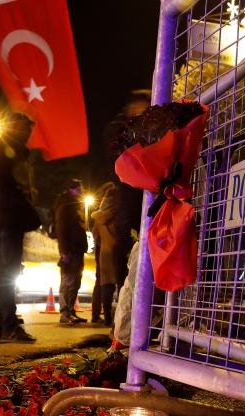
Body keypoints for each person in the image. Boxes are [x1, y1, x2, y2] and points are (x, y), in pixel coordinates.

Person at [0, 113, 42, 342]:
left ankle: (2, 324)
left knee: (3, 272)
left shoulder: (1, 148)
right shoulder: (6, 149)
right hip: (8, 219)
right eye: (25, 128)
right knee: (9, 273)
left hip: (1, 219)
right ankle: (9, 325)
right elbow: (5, 183)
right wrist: (24, 198)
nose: (29, 132)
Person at [105, 90, 151, 287]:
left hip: (143, 196)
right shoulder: (118, 129)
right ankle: (127, 292)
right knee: (125, 245)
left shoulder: (140, 128)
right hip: (131, 198)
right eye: (143, 106)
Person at [53, 179, 89, 324]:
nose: (82, 190)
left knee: (75, 282)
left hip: (77, 249)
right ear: (71, 189)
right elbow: (61, 229)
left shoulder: (73, 205)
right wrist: (64, 251)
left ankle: (71, 310)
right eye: (80, 187)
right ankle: (65, 312)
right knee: (68, 281)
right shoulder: (64, 204)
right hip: (70, 250)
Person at [91, 185, 121, 326]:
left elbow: (95, 234)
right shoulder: (118, 211)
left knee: (106, 285)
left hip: (104, 252)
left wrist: (103, 244)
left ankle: (107, 317)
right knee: (122, 285)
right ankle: (120, 317)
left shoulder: (98, 216)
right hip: (119, 250)